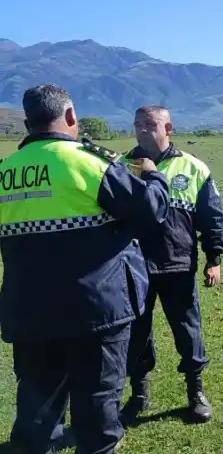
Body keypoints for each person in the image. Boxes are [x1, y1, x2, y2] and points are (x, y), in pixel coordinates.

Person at [0, 84, 170, 454]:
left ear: (28, 123)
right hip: (94, 315)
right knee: (96, 420)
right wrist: (154, 175)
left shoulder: (6, 171)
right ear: (72, 116)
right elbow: (151, 211)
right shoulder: (88, 163)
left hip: (28, 316)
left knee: (37, 418)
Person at [121, 106, 223, 424]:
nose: (142, 129)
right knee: (135, 334)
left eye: (150, 124)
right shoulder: (122, 167)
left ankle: (196, 393)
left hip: (177, 264)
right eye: (138, 124)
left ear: (169, 127)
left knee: (187, 331)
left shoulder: (193, 167)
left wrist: (214, 258)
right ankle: (139, 395)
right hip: (133, 267)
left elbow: (212, 217)